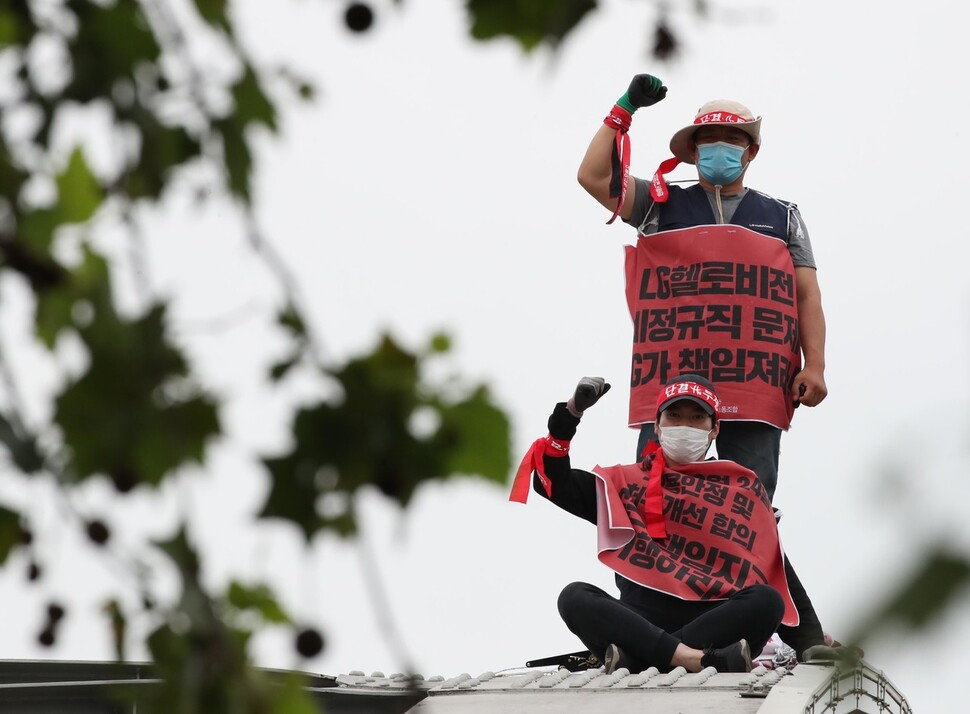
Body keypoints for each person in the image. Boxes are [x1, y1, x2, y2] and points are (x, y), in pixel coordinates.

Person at [576, 75, 827, 500]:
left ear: (751, 151)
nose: (720, 146)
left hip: (755, 384)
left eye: (732, 138)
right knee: (655, 497)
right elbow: (593, 177)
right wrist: (624, 109)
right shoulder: (659, 203)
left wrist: (815, 365)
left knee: (750, 503)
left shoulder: (783, 217)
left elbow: (806, 294)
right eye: (709, 138)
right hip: (674, 389)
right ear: (693, 151)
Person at [509, 373, 826, 674]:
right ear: (657, 427)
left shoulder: (742, 490)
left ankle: (646, 656)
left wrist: (811, 644)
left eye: (696, 417)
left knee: (767, 600)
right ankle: (690, 659)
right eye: (674, 416)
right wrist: (570, 415)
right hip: (645, 620)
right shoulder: (625, 484)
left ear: (714, 429)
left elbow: (777, 570)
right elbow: (554, 484)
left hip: (715, 620)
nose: (685, 425)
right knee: (574, 596)